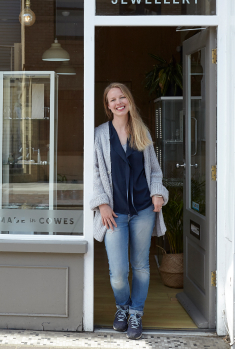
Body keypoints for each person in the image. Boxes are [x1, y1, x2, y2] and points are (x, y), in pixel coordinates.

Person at [90, 83, 169, 340]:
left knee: (141, 266)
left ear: (129, 100)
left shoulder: (141, 130)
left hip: (143, 210)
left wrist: (157, 192)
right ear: (108, 106)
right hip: (113, 214)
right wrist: (102, 203)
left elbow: (155, 170)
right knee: (119, 273)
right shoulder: (100, 135)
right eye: (113, 99)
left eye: (122, 96)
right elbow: (93, 173)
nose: (118, 102)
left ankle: (136, 313)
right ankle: (122, 308)